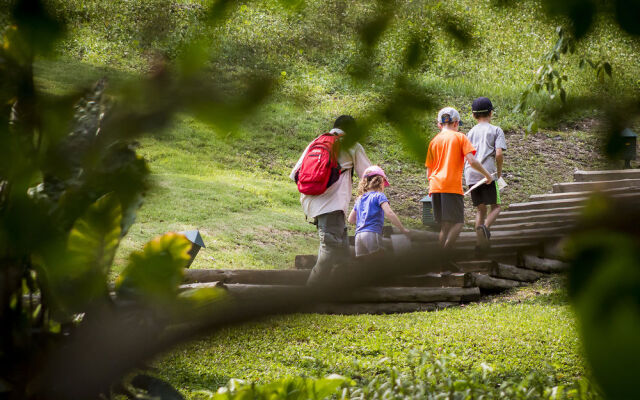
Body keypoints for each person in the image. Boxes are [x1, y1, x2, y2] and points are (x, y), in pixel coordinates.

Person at [290, 115, 371, 285]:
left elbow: (294, 174)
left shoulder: (316, 142)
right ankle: (309, 294)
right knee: (329, 251)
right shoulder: (352, 146)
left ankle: (343, 291)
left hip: (311, 203)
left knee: (341, 252)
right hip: (332, 205)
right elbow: (369, 175)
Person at [425, 107, 493, 249]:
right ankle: (445, 255)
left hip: (435, 186)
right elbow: (472, 161)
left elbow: (428, 172)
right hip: (451, 186)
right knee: (458, 223)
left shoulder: (433, 142)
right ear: (456, 123)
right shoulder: (460, 137)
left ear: (439, 125)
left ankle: (441, 265)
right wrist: (487, 175)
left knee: (445, 226)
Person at [464, 97, 507, 247]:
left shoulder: (469, 133)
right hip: (488, 174)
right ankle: (485, 227)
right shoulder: (496, 130)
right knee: (496, 207)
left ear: (473, 115)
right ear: (491, 113)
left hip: (470, 173)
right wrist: (499, 173)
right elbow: (499, 154)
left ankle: (479, 244)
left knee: (480, 210)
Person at [347, 165, 410, 257]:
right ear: (380, 182)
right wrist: (402, 229)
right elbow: (389, 213)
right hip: (372, 234)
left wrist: (364, 220)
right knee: (377, 262)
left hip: (359, 236)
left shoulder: (360, 199)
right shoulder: (379, 196)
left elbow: (351, 219)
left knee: (363, 265)